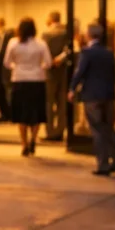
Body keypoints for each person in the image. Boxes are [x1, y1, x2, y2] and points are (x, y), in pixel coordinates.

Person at [68, 23, 115, 175]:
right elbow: (113, 74)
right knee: (108, 129)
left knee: (97, 130)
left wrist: (72, 89)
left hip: (92, 96)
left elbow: (80, 72)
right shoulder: (109, 53)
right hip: (108, 95)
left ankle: (103, 164)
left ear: (88, 35)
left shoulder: (87, 53)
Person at [4, 17, 52, 157]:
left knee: (22, 113)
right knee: (36, 112)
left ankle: (24, 143)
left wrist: (16, 66)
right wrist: (39, 67)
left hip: (19, 79)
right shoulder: (41, 44)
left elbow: (6, 62)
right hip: (37, 80)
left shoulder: (13, 43)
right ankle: (33, 140)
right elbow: (48, 62)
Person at [41, 11, 69, 141]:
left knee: (49, 102)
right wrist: (60, 59)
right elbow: (68, 49)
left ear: (51, 18)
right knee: (61, 102)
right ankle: (60, 130)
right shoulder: (66, 32)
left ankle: (50, 131)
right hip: (62, 70)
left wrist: (50, 61)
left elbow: (43, 51)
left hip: (49, 71)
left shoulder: (46, 33)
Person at [0, 17, 15, 122]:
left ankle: (11, 114)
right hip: (0, 69)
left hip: (7, 70)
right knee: (2, 92)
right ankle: (5, 114)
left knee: (8, 92)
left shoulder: (8, 35)